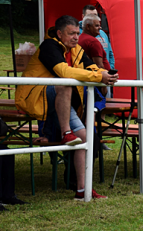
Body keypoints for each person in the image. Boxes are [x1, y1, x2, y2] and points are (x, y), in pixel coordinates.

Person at [15, 15, 115, 199]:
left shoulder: (77, 50)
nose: (76, 37)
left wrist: (107, 74)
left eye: (78, 33)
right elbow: (63, 72)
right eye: (71, 34)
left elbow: (93, 67)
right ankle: (65, 132)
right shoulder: (48, 46)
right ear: (59, 33)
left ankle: (81, 189)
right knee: (65, 82)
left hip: (61, 99)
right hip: (36, 97)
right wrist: (98, 77)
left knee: (86, 139)